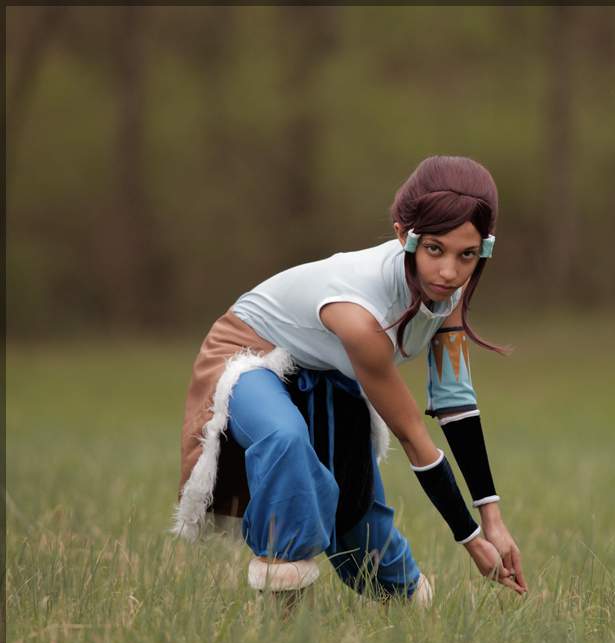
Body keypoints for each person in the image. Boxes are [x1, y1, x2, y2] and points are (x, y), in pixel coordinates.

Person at [170, 155, 527, 604]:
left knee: (359, 523)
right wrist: (471, 539)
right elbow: (415, 437)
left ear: (483, 249)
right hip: (251, 357)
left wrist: (492, 518)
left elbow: (455, 404)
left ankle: (406, 598)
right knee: (285, 441)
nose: (449, 272)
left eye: (467, 255)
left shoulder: (448, 291)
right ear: (403, 235)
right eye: (434, 249)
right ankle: (282, 616)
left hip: (327, 373)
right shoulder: (359, 317)